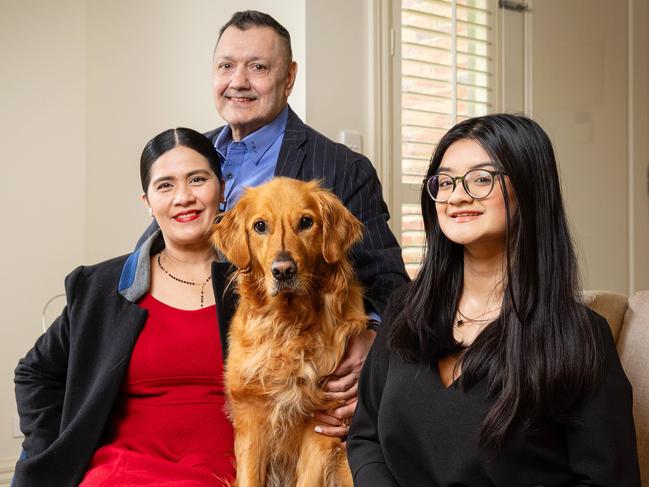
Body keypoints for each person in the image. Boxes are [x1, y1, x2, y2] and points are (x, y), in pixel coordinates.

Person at [137, 10, 409, 437]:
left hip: (292, 387)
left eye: (258, 67)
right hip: (191, 370)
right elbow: (152, 251)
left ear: (289, 77)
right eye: (226, 66)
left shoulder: (342, 168)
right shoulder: (191, 155)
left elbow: (390, 282)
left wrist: (370, 341)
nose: (238, 81)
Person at [346, 114, 640, 486]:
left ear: (530, 188)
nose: (457, 196)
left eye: (482, 178)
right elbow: (365, 437)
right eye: (446, 181)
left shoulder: (579, 338)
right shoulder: (406, 310)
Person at [14, 128, 237, 486]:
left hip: (228, 472)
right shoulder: (99, 288)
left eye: (197, 179)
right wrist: (53, 451)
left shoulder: (258, 286)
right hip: (121, 470)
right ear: (147, 201)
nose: (183, 197)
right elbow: (33, 373)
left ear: (221, 188)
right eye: (165, 185)